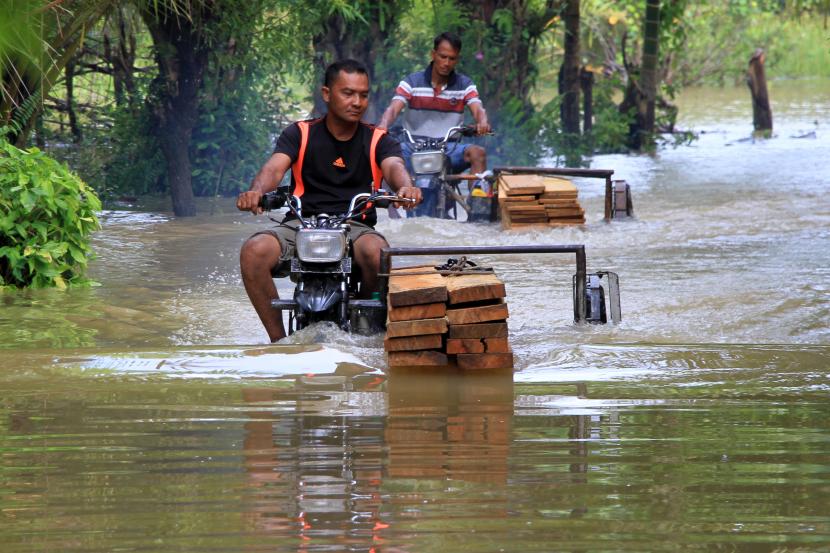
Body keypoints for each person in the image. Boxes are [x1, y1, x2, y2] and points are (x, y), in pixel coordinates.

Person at [237, 59, 421, 342]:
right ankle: (279, 342)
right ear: (326, 93)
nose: (357, 102)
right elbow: (273, 169)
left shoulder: (379, 139)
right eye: (348, 93)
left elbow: (395, 166)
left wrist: (406, 188)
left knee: (378, 253)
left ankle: (371, 330)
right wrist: (256, 192)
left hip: (355, 227)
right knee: (253, 251)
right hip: (300, 224)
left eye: (363, 94)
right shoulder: (300, 133)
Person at [377, 31, 491, 216]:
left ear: (457, 59)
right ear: (433, 54)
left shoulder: (464, 84)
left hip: (449, 148)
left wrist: (482, 122)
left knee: (477, 153)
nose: (446, 63)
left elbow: (478, 108)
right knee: (385, 154)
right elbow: (393, 108)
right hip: (413, 147)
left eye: (452, 58)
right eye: (442, 56)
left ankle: (476, 208)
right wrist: (383, 126)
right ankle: (392, 212)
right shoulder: (412, 82)